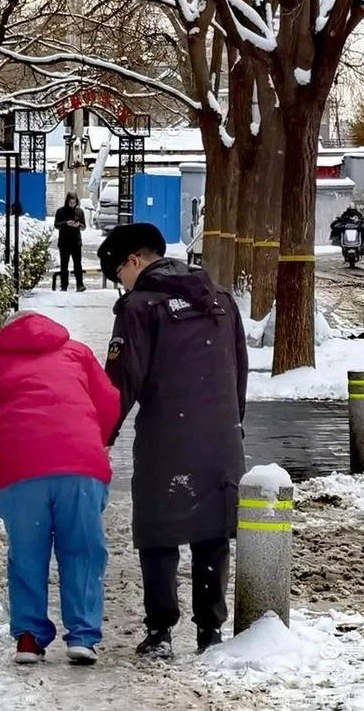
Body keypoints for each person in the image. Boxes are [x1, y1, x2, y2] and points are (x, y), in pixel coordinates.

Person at [97, 223, 248, 660]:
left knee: (159, 531)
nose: (120, 284)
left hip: (166, 433)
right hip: (220, 436)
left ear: (132, 261)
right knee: (211, 530)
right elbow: (239, 369)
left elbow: (122, 381)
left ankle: (161, 631)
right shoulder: (220, 299)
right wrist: (231, 424)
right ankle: (210, 632)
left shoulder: (139, 307)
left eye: (117, 274)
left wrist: (102, 434)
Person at [0, 311, 120, 666]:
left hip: (20, 473)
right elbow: (109, 402)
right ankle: (83, 637)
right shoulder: (77, 353)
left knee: (27, 554)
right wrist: (94, 438)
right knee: (84, 550)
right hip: (80, 468)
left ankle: (28, 638)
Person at [54, 193, 87, 292]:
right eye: (70, 202)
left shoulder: (79, 212)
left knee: (78, 264)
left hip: (76, 242)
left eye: (74, 202)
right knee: (64, 264)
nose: (72, 204)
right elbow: (56, 224)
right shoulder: (60, 211)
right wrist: (66, 223)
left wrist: (78, 225)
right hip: (64, 241)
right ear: (67, 202)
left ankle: (80, 284)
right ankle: (64, 286)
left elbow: (84, 226)